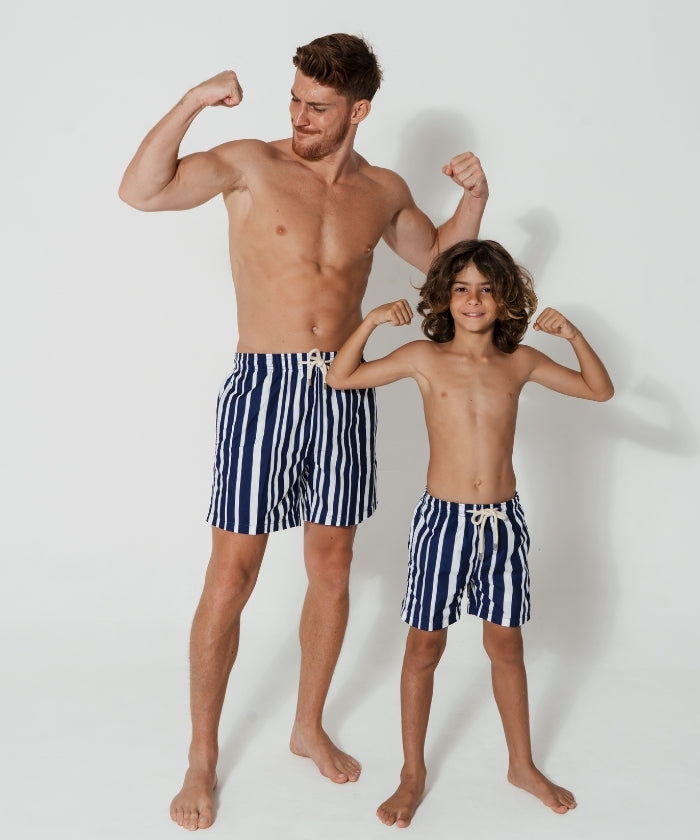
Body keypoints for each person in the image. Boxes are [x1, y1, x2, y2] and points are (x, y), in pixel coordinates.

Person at [118, 33, 488, 831]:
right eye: (294, 99)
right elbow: (141, 191)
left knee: (333, 565)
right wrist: (193, 100)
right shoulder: (251, 164)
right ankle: (202, 755)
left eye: (318, 106)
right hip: (265, 385)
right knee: (232, 576)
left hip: (346, 385)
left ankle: (306, 726)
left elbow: (437, 262)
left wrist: (474, 201)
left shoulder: (381, 189)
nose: (300, 116)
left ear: (358, 110)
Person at [325, 238, 614, 827]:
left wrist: (574, 336)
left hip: (504, 524)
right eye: (461, 289)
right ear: (445, 298)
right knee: (423, 647)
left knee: (506, 646)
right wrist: (372, 321)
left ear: (505, 298)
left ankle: (521, 765)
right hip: (443, 523)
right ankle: (412, 773)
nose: (474, 299)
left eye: (486, 289)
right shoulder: (423, 357)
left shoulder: (520, 361)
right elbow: (340, 377)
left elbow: (598, 390)